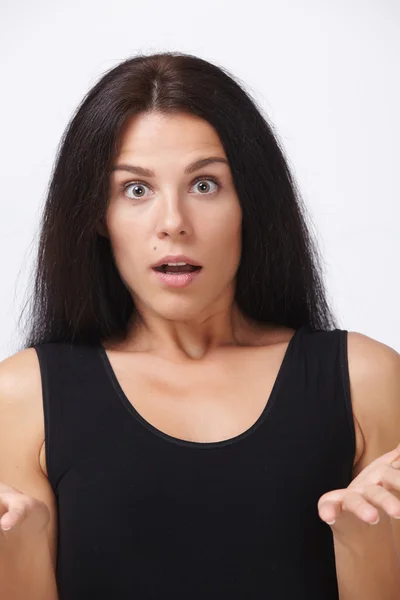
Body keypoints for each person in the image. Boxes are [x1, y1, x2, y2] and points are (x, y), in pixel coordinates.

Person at [0, 51, 399, 600]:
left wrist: (367, 544)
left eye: (205, 185)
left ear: (250, 202)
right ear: (97, 214)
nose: (173, 223)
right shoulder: (21, 396)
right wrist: (17, 553)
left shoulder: (366, 380)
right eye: (135, 189)